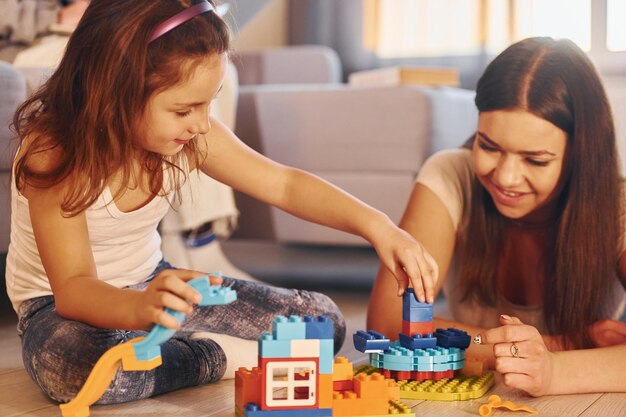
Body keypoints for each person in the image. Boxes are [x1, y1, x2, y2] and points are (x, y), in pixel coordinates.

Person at [6, 0, 438, 405]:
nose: (200, 123)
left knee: (323, 324)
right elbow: (74, 288)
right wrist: (139, 309)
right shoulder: (54, 151)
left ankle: (163, 350)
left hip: (155, 285)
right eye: (184, 109)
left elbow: (284, 185)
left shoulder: (193, 132)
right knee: (75, 368)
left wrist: (379, 226)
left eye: (208, 104)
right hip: (60, 306)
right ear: (116, 90)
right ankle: (221, 358)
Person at [367, 37, 626, 396]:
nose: (504, 177)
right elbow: (390, 321)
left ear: (581, 156)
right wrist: (558, 345)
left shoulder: (618, 205)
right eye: (488, 146)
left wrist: (555, 372)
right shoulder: (450, 174)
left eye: (535, 160)